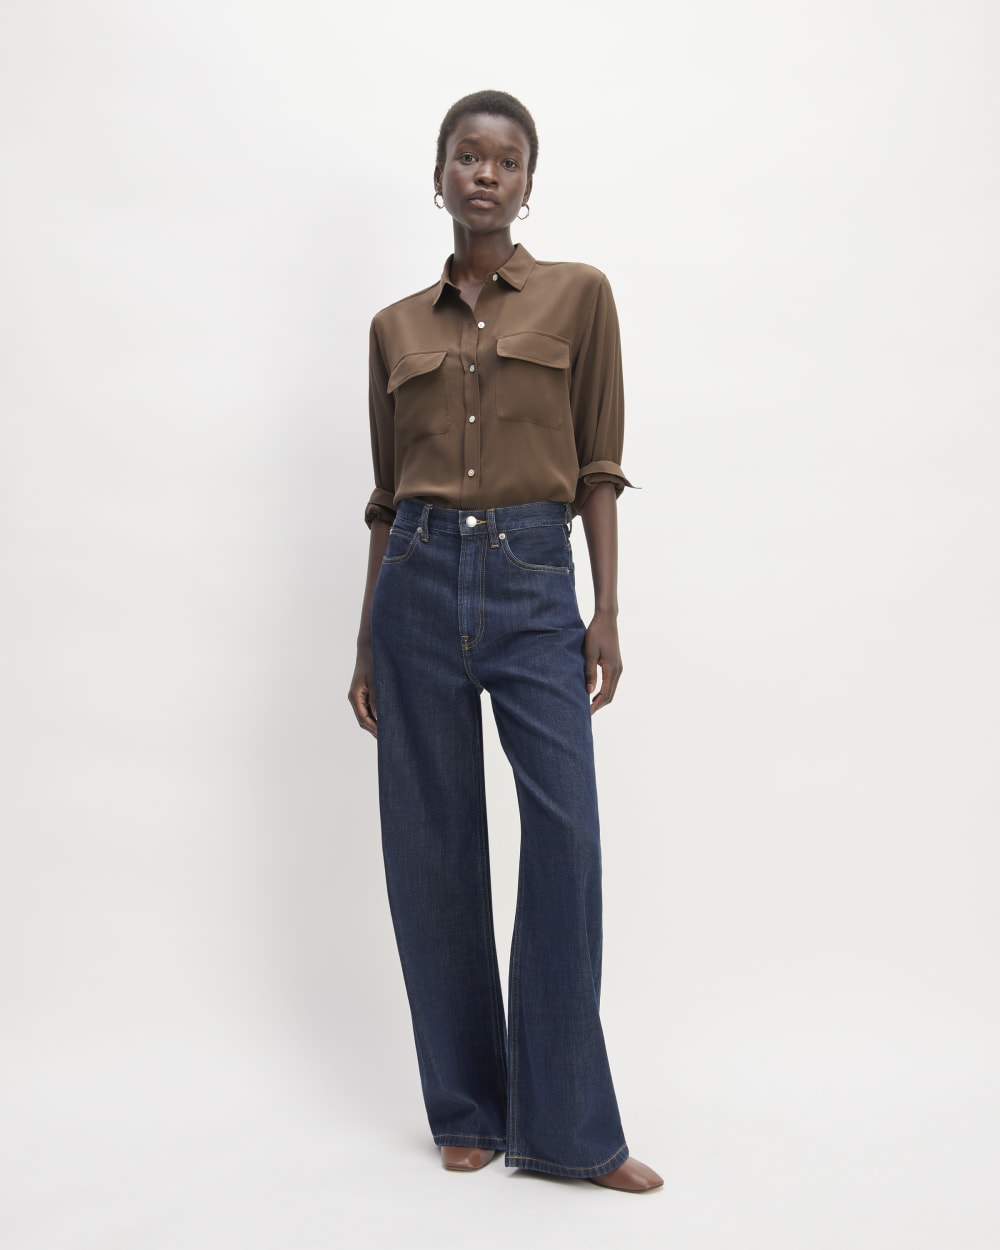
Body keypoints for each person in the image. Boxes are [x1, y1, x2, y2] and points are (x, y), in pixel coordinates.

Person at [348, 90, 662, 1194]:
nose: (485, 173)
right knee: (431, 850)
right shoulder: (394, 328)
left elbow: (598, 467)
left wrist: (605, 609)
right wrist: (366, 641)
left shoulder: (580, 296)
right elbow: (386, 498)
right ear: (438, 174)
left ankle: (570, 1127)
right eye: (467, 156)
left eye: (507, 159)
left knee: (565, 839)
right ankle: (468, 1107)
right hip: (416, 585)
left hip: (535, 579)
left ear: (528, 184)